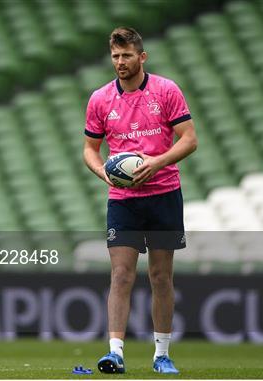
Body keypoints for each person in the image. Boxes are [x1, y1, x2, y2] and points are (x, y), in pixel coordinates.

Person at [82, 27, 198, 375]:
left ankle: (162, 354)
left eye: (127, 56)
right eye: (115, 56)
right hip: (123, 198)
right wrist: (103, 172)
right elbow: (90, 148)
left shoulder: (166, 91)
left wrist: (156, 162)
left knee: (161, 277)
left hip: (164, 194)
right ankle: (114, 352)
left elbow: (189, 139)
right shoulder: (100, 99)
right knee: (120, 275)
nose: (120, 62)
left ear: (141, 57)